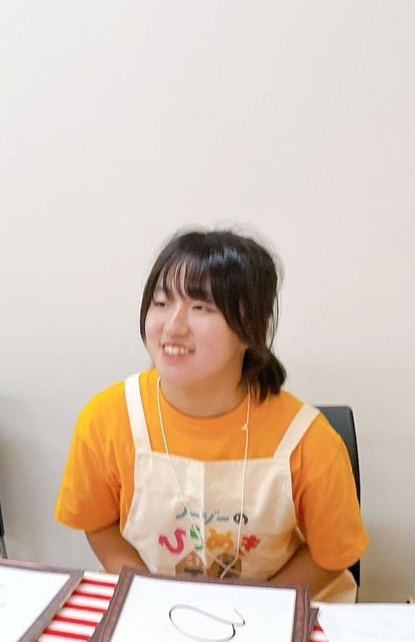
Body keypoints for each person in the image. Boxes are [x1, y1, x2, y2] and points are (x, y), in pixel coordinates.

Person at [54, 229, 366, 602]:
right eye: (161, 302)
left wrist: (260, 605)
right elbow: (97, 523)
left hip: (277, 613)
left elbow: (330, 555)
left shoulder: (307, 440)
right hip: (153, 610)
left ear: (252, 330)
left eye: (201, 307)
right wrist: (146, 594)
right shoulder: (106, 420)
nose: (173, 326)